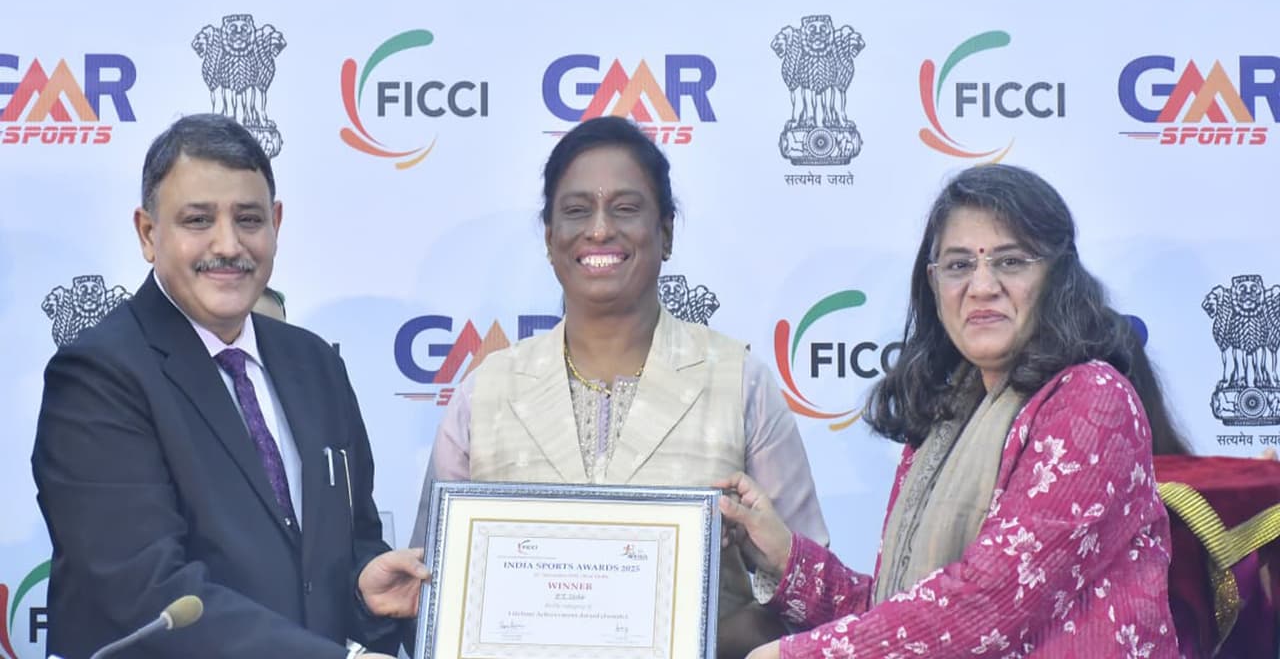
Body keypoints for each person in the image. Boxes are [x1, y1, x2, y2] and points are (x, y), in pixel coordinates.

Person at [718, 164, 1178, 657]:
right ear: (933, 287)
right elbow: (895, 614)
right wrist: (786, 556)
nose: (982, 286)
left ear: (1057, 277)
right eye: (959, 265)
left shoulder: (1091, 399)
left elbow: (989, 603)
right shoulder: (946, 418)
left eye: (1011, 262)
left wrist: (799, 656)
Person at [411, 116, 828, 658]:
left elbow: (811, 592)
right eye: (577, 210)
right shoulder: (485, 393)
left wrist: (687, 644)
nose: (600, 230)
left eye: (626, 208)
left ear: (667, 231)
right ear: (550, 237)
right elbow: (431, 591)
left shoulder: (737, 383)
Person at [32, 114, 428, 659]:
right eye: (198, 220)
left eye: (248, 218)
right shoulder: (98, 376)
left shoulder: (314, 364)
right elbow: (146, 594)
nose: (229, 244)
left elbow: (346, 541)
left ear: (276, 224)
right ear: (149, 234)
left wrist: (362, 589)